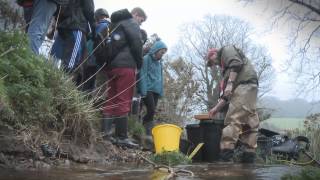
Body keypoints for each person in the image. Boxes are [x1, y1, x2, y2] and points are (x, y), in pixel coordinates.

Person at [101, 8, 146, 148]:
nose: (141, 23)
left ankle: (106, 135)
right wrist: (139, 63)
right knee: (123, 100)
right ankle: (122, 137)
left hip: (112, 66)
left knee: (111, 98)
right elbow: (137, 44)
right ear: (136, 15)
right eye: (141, 20)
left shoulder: (115, 24)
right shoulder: (131, 23)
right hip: (126, 66)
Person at [207, 45, 259, 163]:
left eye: (213, 61)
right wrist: (215, 109)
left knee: (233, 120)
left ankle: (225, 158)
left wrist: (230, 83)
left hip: (244, 87)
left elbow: (236, 63)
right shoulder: (226, 71)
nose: (215, 64)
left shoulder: (226, 50)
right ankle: (248, 158)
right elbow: (226, 96)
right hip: (250, 88)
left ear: (214, 54)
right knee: (250, 123)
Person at [50, 0, 95, 82]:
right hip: (76, 25)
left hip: (63, 27)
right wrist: (94, 30)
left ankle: (49, 77)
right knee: (71, 60)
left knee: (54, 56)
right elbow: (89, 11)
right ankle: (63, 83)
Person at [137, 40, 167, 135]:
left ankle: (147, 133)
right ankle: (142, 128)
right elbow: (142, 74)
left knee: (152, 112)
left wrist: (161, 91)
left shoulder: (160, 63)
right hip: (148, 89)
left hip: (156, 90)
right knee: (151, 109)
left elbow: (161, 78)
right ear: (156, 50)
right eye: (161, 52)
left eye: (163, 53)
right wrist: (143, 90)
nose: (162, 55)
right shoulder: (146, 59)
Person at [82, 8, 110, 92]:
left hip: (91, 57)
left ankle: (84, 100)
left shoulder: (102, 25)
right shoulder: (109, 26)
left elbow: (91, 40)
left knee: (86, 83)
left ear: (97, 17)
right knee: (92, 83)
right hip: (99, 60)